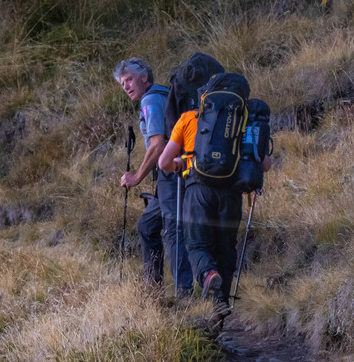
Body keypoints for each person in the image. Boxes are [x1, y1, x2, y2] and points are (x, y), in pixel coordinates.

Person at [158, 90, 271, 317]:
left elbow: (163, 162)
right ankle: (220, 307)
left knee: (197, 244)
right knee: (226, 249)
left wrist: (179, 166)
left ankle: (208, 274)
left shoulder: (188, 118)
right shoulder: (244, 120)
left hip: (198, 190)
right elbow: (265, 163)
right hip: (231, 195)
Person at [114, 57, 169, 288]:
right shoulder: (164, 95)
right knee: (155, 226)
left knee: (149, 227)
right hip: (180, 172)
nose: (126, 86)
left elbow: (158, 144)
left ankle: (153, 289)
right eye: (122, 83)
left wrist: (136, 177)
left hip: (172, 174)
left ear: (144, 77)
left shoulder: (150, 101)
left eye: (129, 80)